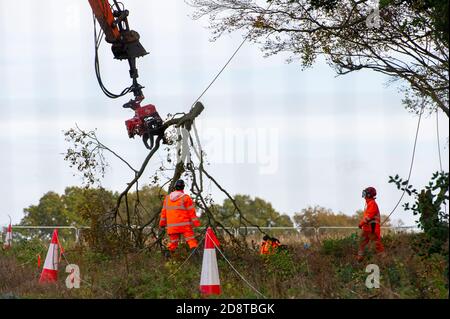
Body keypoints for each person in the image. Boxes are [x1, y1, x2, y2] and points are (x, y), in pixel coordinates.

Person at [159, 179, 201, 254]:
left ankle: (168, 257)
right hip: (184, 226)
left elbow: (163, 213)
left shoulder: (167, 198)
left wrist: (162, 224)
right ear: (183, 187)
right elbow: (192, 212)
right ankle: (195, 258)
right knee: (191, 241)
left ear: (174, 187)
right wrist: (196, 224)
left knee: (173, 243)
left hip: (172, 226)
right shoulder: (186, 198)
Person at [357, 186, 385, 261]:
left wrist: (361, 223)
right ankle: (360, 258)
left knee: (376, 243)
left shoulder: (372, 203)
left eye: (365, 193)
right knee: (362, 242)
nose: (364, 195)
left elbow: (369, 216)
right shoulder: (369, 204)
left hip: (372, 227)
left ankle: (383, 259)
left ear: (368, 195)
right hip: (367, 227)